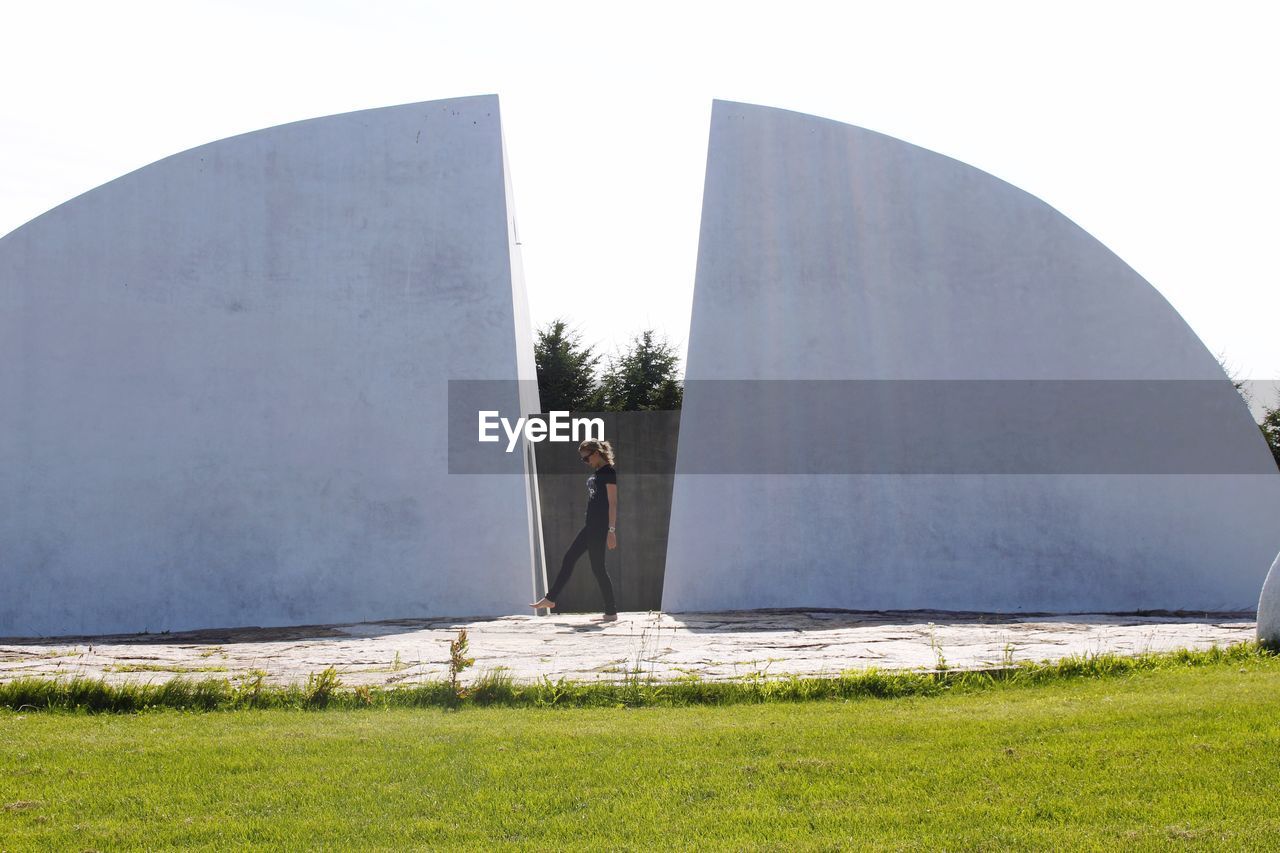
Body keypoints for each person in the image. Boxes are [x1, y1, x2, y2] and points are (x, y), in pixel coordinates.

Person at [530, 438, 619, 621]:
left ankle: (609, 612)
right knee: (586, 564)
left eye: (586, 458)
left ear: (596, 453)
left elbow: (613, 502)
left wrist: (611, 531)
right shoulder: (598, 471)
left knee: (593, 566)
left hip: (599, 527)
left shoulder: (608, 472)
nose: (585, 462)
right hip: (591, 525)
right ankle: (552, 599)